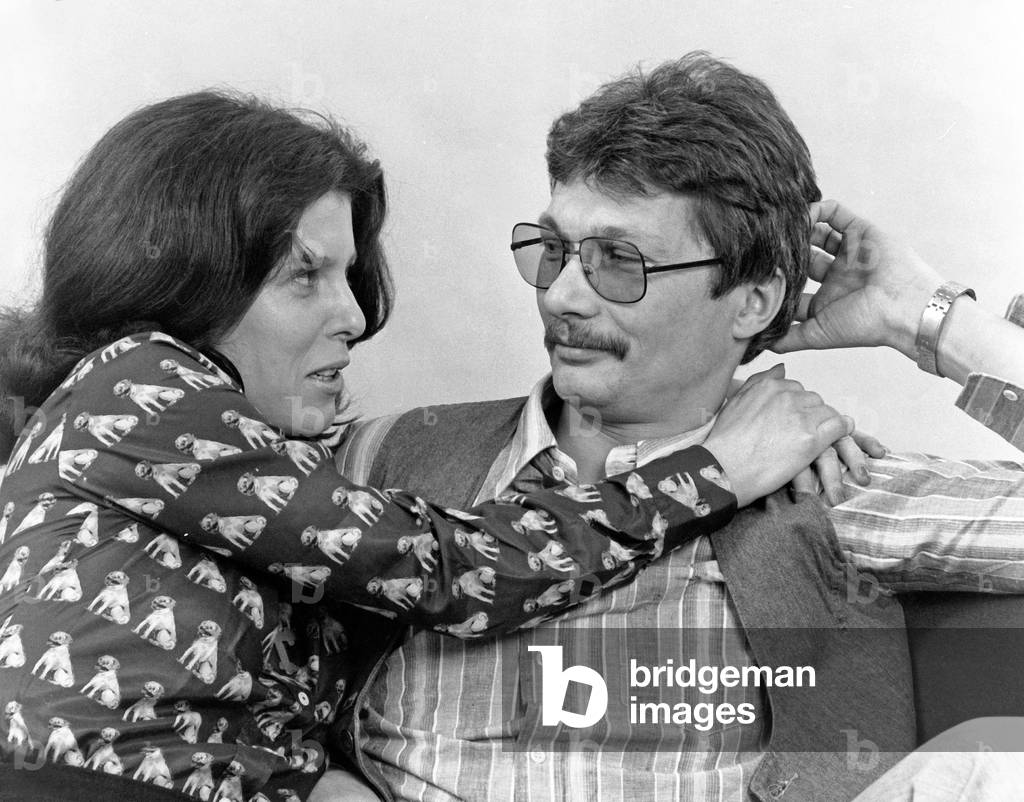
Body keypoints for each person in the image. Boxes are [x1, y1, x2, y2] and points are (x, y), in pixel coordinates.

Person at [0, 91, 861, 801]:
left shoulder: (278, 467)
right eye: (307, 273)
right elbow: (452, 568)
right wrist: (714, 470)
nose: (353, 315)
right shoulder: (136, 386)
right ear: (183, 269)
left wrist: (920, 324)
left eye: (348, 272)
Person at [334, 54, 1024, 802]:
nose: (563, 295)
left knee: (994, 768)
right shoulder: (384, 457)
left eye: (618, 261)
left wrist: (928, 316)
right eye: (555, 249)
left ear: (753, 303)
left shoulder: (827, 493)